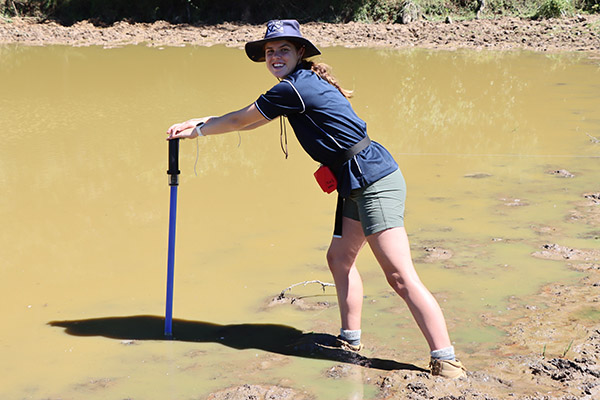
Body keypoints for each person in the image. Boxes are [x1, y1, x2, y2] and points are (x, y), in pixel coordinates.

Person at [166, 19, 467, 379]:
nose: (275, 56)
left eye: (283, 50)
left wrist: (199, 130)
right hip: (353, 178)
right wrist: (197, 122)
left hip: (373, 180)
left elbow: (240, 121)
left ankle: (446, 360)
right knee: (339, 258)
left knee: (400, 276)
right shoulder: (297, 84)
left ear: (300, 53)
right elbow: (246, 119)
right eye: (270, 52)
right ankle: (350, 340)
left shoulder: (293, 89)